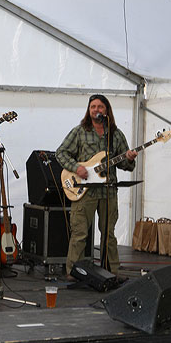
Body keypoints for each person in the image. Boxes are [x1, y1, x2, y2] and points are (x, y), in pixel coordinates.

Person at [55, 94, 137, 276]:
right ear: (88, 109)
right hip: (84, 192)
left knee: (109, 235)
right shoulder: (79, 131)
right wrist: (77, 168)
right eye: (93, 106)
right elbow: (60, 153)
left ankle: (112, 273)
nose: (96, 110)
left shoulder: (116, 134)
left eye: (100, 106)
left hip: (108, 192)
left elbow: (125, 165)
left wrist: (129, 158)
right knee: (80, 235)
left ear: (106, 110)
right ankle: (73, 273)